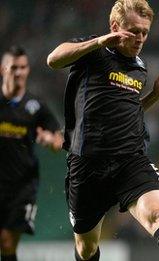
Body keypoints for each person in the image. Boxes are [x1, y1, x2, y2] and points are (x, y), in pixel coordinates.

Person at [46, 1, 159, 260]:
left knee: (158, 216)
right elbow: (53, 59)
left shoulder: (139, 67)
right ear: (115, 27)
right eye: (133, 31)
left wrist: (155, 95)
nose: (140, 38)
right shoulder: (94, 50)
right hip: (87, 164)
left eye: (144, 32)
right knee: (86, 249)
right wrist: (99, 42)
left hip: (129, 159)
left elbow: (128, 111)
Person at [0, 46, 63, 261]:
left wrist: (50, 140)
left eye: (23, 67)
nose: (18, 72)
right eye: (14, 67)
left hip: (22, 186)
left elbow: (58, 140)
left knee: (7, 241)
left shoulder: (36, 106)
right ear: (3, 69)